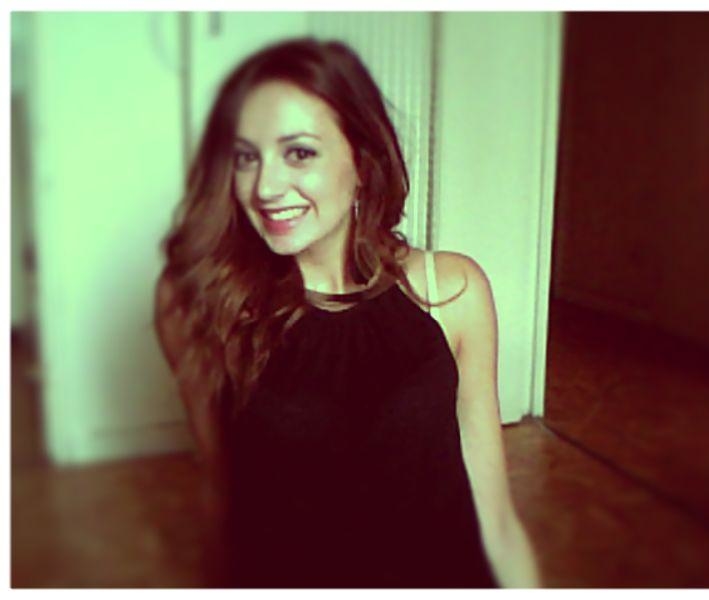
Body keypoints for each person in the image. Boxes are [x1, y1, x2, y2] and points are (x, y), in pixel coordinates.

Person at [154, 37, 539, 588]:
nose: (265, 187)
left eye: (299, 153)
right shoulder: (200, 304)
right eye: (246, 157)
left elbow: (495, 521)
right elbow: (225, 497)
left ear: (361, 161)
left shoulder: (452, 292)